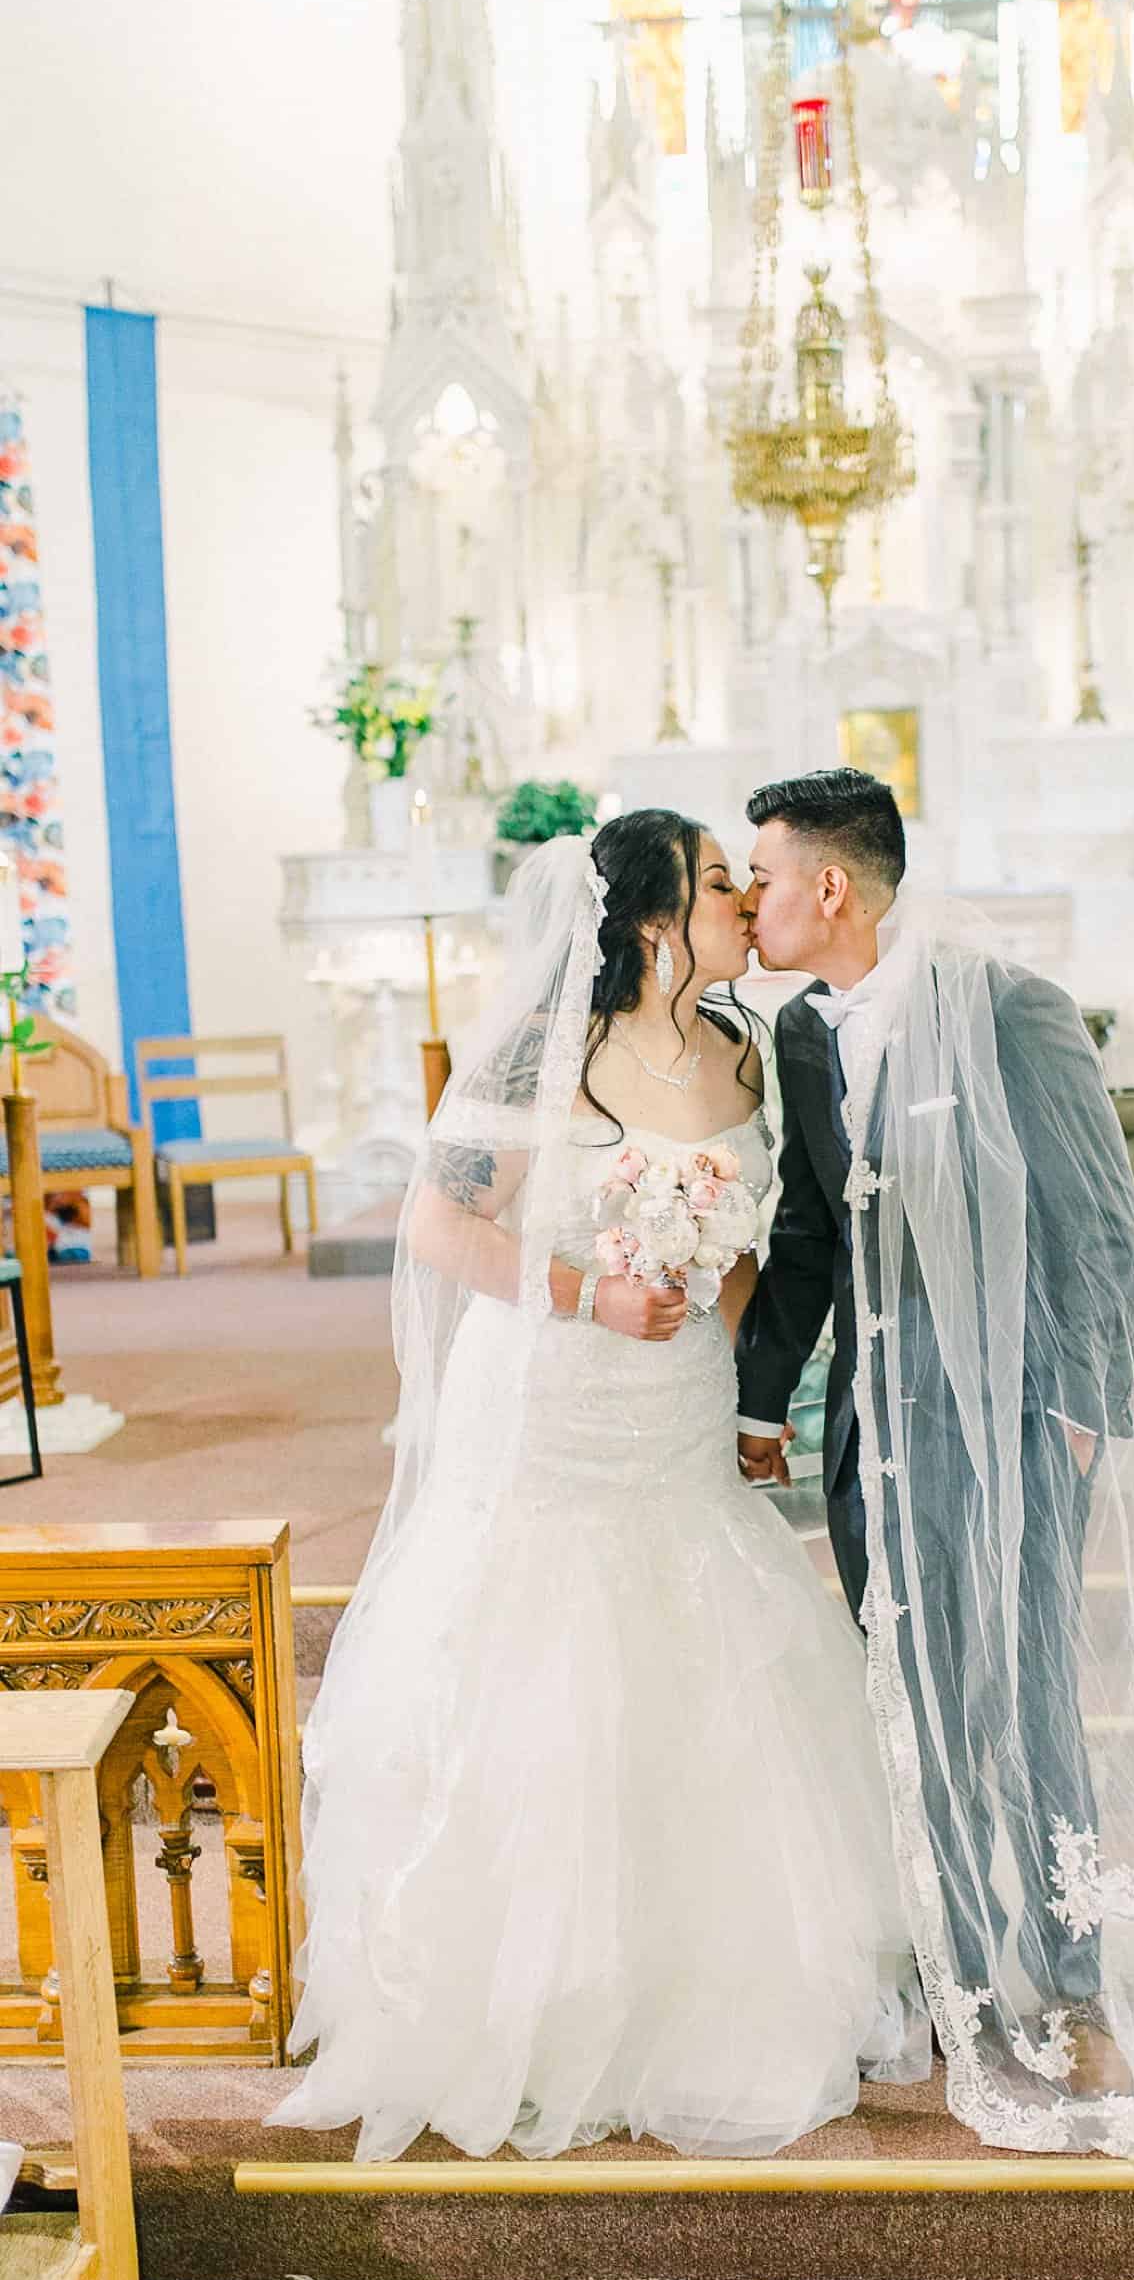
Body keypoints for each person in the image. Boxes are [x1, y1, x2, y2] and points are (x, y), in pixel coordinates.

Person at [269, 811, 927, 2165]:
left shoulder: (744, 1050)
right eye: (716, 885)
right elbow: (442, 1223)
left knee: (706, 1657)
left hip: (680, 1413)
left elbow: (748, 1245)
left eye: (747, 882)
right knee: (545, 1662)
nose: (745, 902)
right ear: (649, 921)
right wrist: (583, 1288)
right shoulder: (540, 1052)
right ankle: (536, 1995)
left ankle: (703, 1989)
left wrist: (759, 1398)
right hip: (558, 1403)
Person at [735, 769, 1134, 2159]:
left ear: (830, 886)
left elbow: (1095, 1220)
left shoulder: (1010, 1007)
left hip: (1011, 1417)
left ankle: (1065, 1977)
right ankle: (958, 1953)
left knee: (1013, 1685)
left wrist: (1079, 1415)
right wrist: (758, 1400)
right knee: (901, 1680)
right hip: (874, 1430)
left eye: (765, 875)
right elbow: (808, 1242)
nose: (752, 898)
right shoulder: (798, 1032)